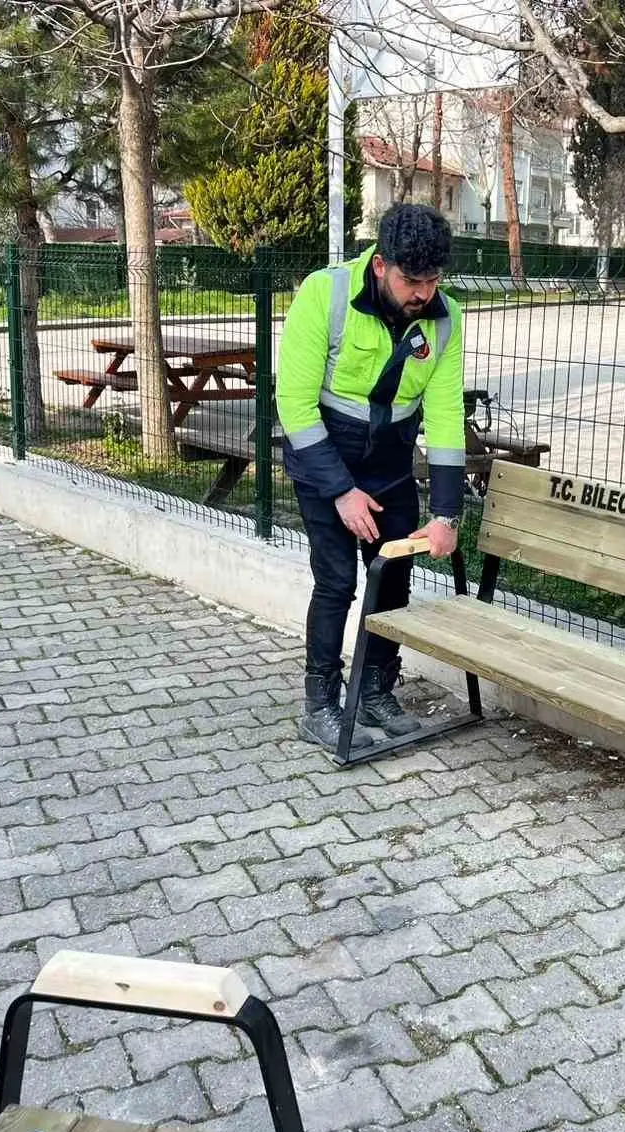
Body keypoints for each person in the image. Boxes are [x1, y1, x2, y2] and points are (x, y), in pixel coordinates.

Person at [277, 205, 466, 751]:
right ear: (381, 265)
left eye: (434, 281)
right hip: (325, 458)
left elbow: (447, 412)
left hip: (389, 466)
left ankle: (377, 689)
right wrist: (339, 490)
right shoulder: (326, 295)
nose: (424, 294)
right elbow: (294, 402)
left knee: (394, 576)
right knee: (337, 581)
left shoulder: (444, 317)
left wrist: (446, 513)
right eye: (413, 280)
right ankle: (320, 705)